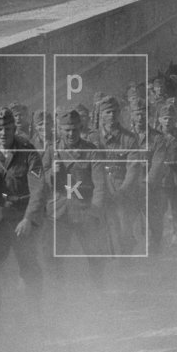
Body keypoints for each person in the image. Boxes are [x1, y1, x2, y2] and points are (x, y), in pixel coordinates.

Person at [0, 107, 46, 315]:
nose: (3, 133)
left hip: (22, 217)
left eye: (7, 128)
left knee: (30, 269)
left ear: (14, 128)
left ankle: (34, 315)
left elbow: (38, 188)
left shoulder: (28, 152)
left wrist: (29, 219)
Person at [43, 108, 107, 288]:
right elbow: (39, 179)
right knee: (52, 255)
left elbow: (100, 184)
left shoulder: (91, 151)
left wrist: (95, 210)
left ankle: (97, 290)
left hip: (84, 208)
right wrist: (51, 174)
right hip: (59, 210)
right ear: (60, 129)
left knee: (95, 254)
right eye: (66, 130)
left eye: (75, 129)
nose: (71, 134)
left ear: (80, 128)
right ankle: (59, 291)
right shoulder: (51, 150)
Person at [87, 95, 141, 254]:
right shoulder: (93, 138)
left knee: (123, 226)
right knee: (98, 227)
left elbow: (133, 168)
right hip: (97, 187)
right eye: (108, 112)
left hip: (121, 187)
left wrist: (123, 190)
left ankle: (126, 259)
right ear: (101, 115)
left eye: (115, 112)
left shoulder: (129, 138)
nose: (112, 116)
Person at [148, 103, 177, 251]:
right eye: (165, 118)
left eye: (171, 118)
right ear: (159, 119)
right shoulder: (154, 136)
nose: (168, 121)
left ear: (175, 120)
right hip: (159, 178)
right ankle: (156, 239)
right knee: (158, 210)